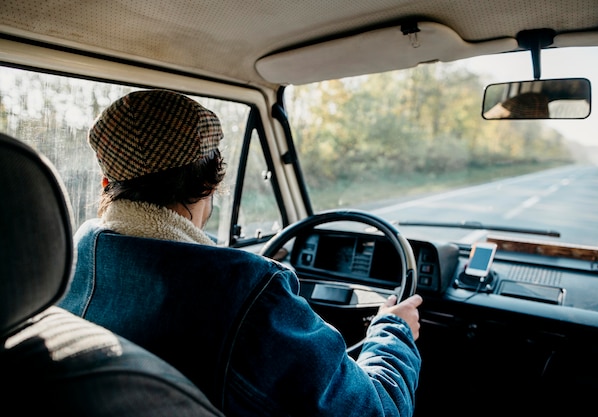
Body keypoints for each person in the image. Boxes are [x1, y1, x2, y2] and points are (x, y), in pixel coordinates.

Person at [58, 89, 422, 417]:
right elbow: (377, 411)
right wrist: (393, 330)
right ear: (208, 181)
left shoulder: (64, 268)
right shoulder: (248, 292)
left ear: (108, 182)